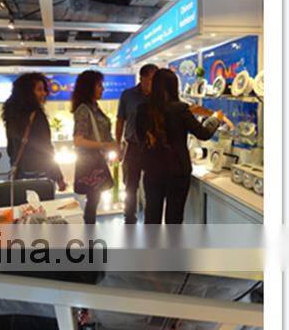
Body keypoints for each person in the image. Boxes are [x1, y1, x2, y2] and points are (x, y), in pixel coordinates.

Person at [136, 68, 223, 224]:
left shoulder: (143, 109)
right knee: (174, 218)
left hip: (152, 170)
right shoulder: (180, 109)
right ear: (173, 86)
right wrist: (216, 118)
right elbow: (203, 133)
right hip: (177, 170)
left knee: (152, 215)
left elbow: (140, 137)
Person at [2, 72, 67, 191]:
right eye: (39, 90)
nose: (44, 93)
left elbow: (10, 148)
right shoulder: (37, 116)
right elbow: (46, 148)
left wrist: (16, 165)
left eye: (44, 90)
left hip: (20, 172)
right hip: (40, 172)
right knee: (42, 202)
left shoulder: (11, 115)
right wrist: (59, 177)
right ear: (27, 92)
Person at [71, 71, 117, 224]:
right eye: (99, 85)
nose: (102, 89)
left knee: (94, 199)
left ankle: (89, 229)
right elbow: (78, 140)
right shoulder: (84, 110)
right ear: (89, 87)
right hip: (90, 162)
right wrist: (105, 145)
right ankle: (89, 231)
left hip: (96, 159)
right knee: (92, 200)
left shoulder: (94, 107)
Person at [115, 64, 158, 224]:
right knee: (130, 185)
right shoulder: (128, 95)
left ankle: (150, 220)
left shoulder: (159, 97)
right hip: (132, 147)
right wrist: (117, 144)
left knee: (151, 186)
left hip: (153, 149)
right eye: (152, 79)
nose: (154, 83)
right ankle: (129, 217)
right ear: (142, 78)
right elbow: (120, 120)